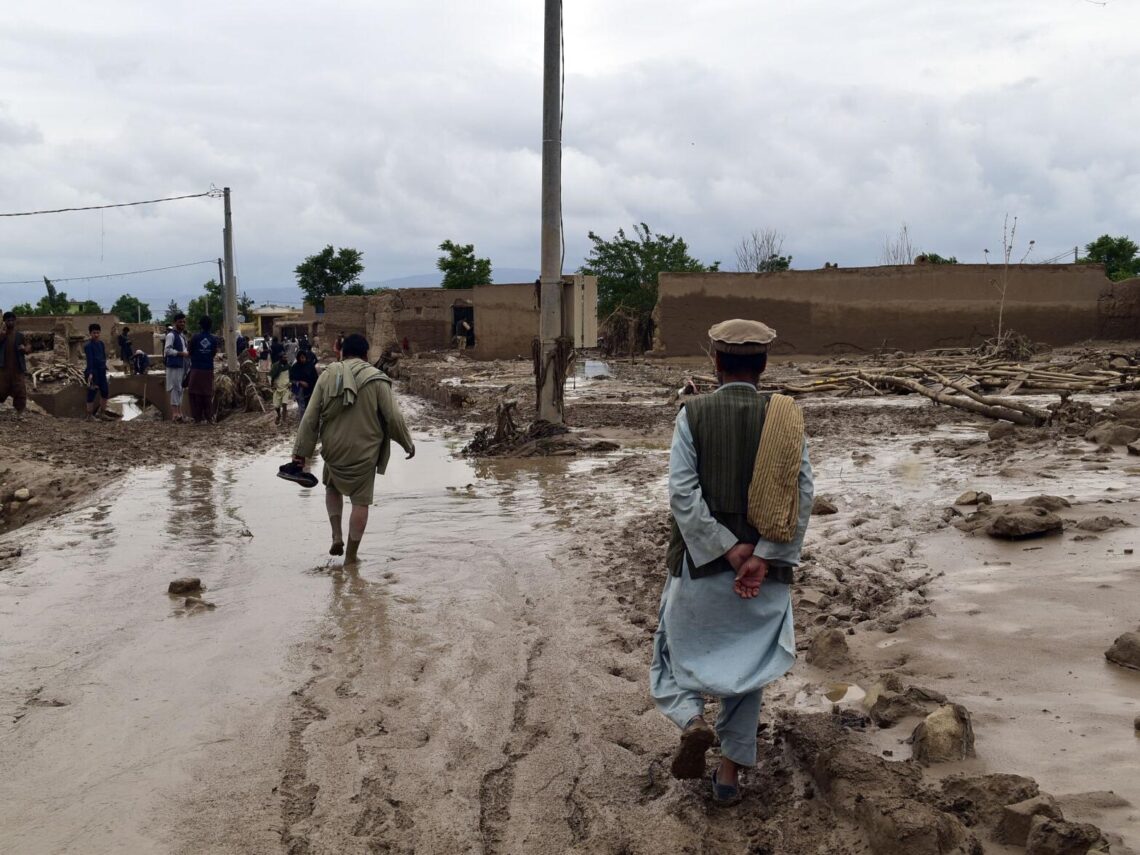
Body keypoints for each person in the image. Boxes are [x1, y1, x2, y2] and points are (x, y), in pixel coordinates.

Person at [650, 319, 813, 803]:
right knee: (748, 669)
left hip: (700, 566)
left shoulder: (693, 413)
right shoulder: (786, 417)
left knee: (668, 653)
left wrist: (724, 546)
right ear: (763, 365)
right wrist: (763, 555)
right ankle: (727, 777)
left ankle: (691, 720)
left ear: (716, 363)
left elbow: (682, 493)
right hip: (764, 576)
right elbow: (801, 494)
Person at [290, 333, 415, 563]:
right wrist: (407, 443)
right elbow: (393, 418)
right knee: (360, 502)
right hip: (365, 452)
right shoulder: (377, 379)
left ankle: (336, 534)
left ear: (341, 352)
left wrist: (301, 455)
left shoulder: (327, 375)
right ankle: (351, 557)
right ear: (366, 355)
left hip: (334, 448)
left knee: (332, 487)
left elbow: (310, 418)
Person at [187, 316, 220, 424]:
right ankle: (209, 418)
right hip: (208, 369)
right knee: (207, 393)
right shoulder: (213, 339)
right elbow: (213, 353)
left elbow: (190, 351)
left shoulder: (195, 337)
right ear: (210, 326)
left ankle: (197, 418)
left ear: (200, 325)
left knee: (194, 393)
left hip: (196, 369)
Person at [0, 311, 30, 418]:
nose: (10, 322)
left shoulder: (19, 336)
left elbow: (28, 348)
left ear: (15, 321)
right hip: (3, 370)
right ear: (4, 322)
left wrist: (24, 349)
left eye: (12, 320)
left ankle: (20, 413)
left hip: (17, 370)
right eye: (8, 320)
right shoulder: (2, 335)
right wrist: (2, 333)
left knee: (20, 391)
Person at [164, 314, 190, 422]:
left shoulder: (182, 336)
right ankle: (175, 414)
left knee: (180, 388)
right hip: (174, 365)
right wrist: (180, 353)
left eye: (184, 322)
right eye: (180, 322)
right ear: (175, 323)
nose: (182, 324)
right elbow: (167, 350)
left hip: (182, 365)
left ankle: (179, 413)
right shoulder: (171, 335)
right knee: (175, 388)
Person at [84, 323, 110, 420]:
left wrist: (105, 366)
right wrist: (90, 373)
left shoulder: (101, 344)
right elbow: (89, 360)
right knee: (92, 393)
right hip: (93, 372)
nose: (96, 335)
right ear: (90, 333)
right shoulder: (88, 346)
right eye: (94, 333)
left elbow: (103, 356)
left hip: (102, 371)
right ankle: (89, 415)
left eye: (98, 333)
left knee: (105, 392)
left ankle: (102, 413)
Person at [289, 349, 318, 421]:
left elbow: (315, 377)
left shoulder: (310, 365)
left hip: (310, 389)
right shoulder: (295, 367)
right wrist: (301, 382)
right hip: (300, 390)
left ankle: (310, 420)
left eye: (304, 357)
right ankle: (303, 422)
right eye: (301, 358)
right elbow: (291, 378)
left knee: (310, 406)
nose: (303, 359)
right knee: (302, 407)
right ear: (298, 358)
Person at [271, 351, 292, 424]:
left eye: (286, 357)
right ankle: (279, 415)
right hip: (277, 388)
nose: (286, 359)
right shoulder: (275, 366)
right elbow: (271, 376)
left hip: (286, 387)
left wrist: (291, 383)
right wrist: (273, 384)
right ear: (281, 358)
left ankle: (284, 420)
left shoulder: (289, 366)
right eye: (284, 358)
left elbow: (292, 376)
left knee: (284, 404)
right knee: (276, 406)